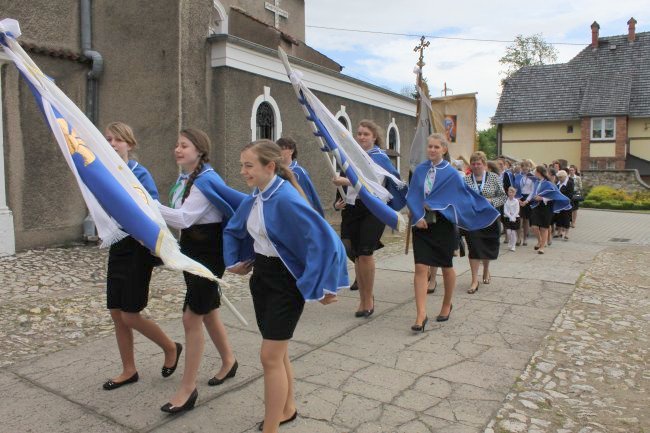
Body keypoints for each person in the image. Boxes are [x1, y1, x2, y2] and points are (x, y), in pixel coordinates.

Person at [223, 139, 347, 433]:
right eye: (242, 165)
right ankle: (287, 408)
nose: (243, 171)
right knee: (277, 353)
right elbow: (237, 228)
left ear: (270, 166)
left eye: (248, 165)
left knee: (269, 356)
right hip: (262, 278)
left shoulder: (287, 198)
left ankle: (270, 427)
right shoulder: (256, 196)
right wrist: (237, 261)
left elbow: (326, 240)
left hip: (285, 282)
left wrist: (326, 285)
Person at [157, 128, 242, 414]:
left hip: (208, 255)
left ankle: (187, 389)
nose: (178, 150)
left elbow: (183, 219)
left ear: (199, 151)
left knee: (191, 318)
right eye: (177, 145)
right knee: (207, 313)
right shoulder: (186, 179)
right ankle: (229, 361)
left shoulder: (206, 181)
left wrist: (147, 206)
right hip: (192, 251)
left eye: (184, 145)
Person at [102, 122, 181, 391]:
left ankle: (171, 347)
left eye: (118, 140)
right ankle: (129, 369)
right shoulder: (103, 173)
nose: (113, 144)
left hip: (139, 247)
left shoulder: (139, 173)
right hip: (118, 244)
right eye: (109, 139)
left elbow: (151, 209)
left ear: (130, 145)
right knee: (116, 312)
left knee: (131, 314)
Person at [407, 134, 499, 331]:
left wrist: (483, 209)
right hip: (422, 223)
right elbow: (412, 195)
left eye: (436, 147)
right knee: (421, 267)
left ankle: (447, 304)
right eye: (429, 146)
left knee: (446, 266)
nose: (431, 150)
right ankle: (420, 314)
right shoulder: (420, 170)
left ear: (444, 150)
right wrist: (417, 216)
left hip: (443, 224)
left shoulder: (452, 173)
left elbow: (463, 197)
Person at [332, 120, 404, 318]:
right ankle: (363, 297)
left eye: (366, 134)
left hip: (372, 208)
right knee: (355, 253)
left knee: (365, 252)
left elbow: (373, 182)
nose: (362, 137)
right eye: (359, 133)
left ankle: (367, 299)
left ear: (374, 137)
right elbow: (343, 185)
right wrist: (338, 201)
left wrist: (346, 180)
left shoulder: (379, 157)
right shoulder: (351, 155)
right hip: (353, 208)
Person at [463, 151, 506, 293]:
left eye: (478, 163)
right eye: (473, 163)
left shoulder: (493, 178)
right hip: (473, 219)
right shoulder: (466, 179)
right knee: (474, 247)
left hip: (490, 218)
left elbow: (503, 197)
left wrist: (491, 201)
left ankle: (486, 270)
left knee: (487, 246)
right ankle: (474, 280)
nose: (476, 166)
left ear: (484, 164)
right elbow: (462, 198)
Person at [523, 165, 571, 254]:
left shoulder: (549, 183)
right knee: (534, 226)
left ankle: (542, 247)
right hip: (536, 206)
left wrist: (542, 198)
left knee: (544, 228)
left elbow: (554, 196)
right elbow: (532, 193)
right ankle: (540, 240)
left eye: (535, 172)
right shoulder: (536, 182)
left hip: (546, 207)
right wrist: (526, 201)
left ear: (539, 173)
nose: (534, 173)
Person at [276, 136, 324, 216]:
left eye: (282, 148)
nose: (279, 151)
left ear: (291, 151)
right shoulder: (274, 172)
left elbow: (307, 197)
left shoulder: (298, 172)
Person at [515, 159, 536, 246]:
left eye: (527, 166)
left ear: (530, 167)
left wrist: (527, 201)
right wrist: (518, 199)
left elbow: (533, 190)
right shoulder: (518, 176)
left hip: (528, 199)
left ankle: (525, 238)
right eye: (523, 166)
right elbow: (514, 189)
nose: (525, 168)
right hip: (519, 198)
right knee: (519, 219)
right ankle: (518, 238)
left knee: (526, 220)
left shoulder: (532, 177)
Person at [554, 170, 574, 240]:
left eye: (561, 177)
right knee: (559, 219)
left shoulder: (570, 183)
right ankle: (559, 233)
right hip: (559, 204)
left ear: (565, 177)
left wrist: (562, 197)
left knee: (566, 219)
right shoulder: (557, 183)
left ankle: (566, 234)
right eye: (559, 177)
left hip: (566, 204)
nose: (560, 179)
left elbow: (570, 194)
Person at [503, 186, 521, 251]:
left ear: (514, 193)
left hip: (515, 218)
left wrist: (513, 217)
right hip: (507, 218)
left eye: (512, 192)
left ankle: (513, 246)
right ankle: (510, 241)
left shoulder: (516, 201)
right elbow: (505, 210)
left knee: (513, 232)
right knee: (508, 232)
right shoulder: (506, 200)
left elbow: (517, 210)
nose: (510, 194)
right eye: (509, 192)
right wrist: (510, 217)